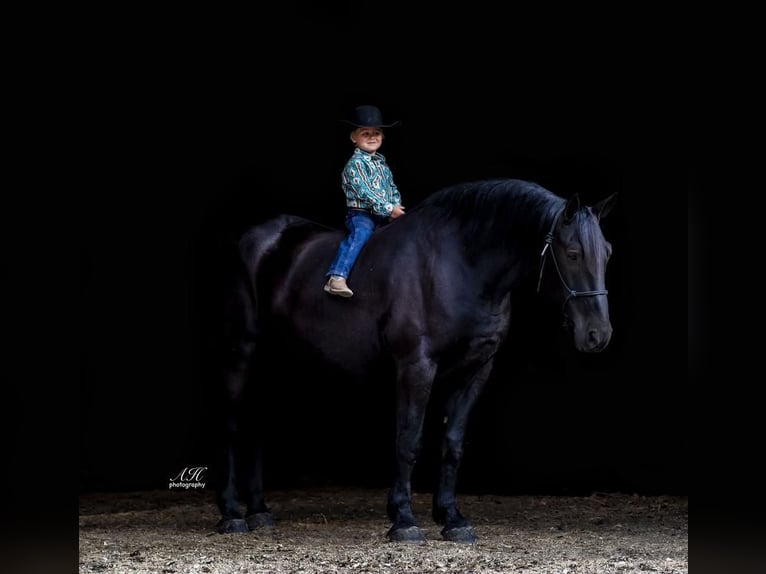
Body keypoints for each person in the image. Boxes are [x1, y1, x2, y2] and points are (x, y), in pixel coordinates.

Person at [324, 105, 406, 297]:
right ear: (353, 137)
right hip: (361, 214)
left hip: (383, 213)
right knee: (361, 233)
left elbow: (391, 187)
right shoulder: (355, 165)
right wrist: (388, 208)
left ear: (382, 137)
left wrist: (396, 205)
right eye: (365, 133)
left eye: (376, 132)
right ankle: (337, 277)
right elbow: (366, 192)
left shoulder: (382, 164)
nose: (372, 137)